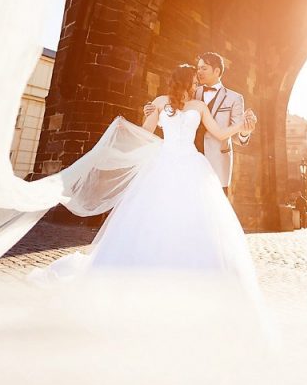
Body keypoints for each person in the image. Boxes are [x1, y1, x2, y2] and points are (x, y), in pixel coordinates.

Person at [34, 63, 259, 283]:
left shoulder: (199, 106)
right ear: (184, 81)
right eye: (192, 80)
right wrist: (128, 127)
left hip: (191, 163)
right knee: (154, 211)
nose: (196, 83)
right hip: (164, 161)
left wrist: (241, 126)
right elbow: (147, 131)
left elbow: (220, 133)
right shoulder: (160, 102)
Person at [145, 52, 253, 196]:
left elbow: (230, 134)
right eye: (198, 68)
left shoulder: (234, 98)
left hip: (214, 161)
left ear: (217, 71)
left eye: (204, 68)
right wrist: (152, 112)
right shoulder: (191, 91)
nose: (199, 71)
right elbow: (173, 115)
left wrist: (244, 130)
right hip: (180, 157)